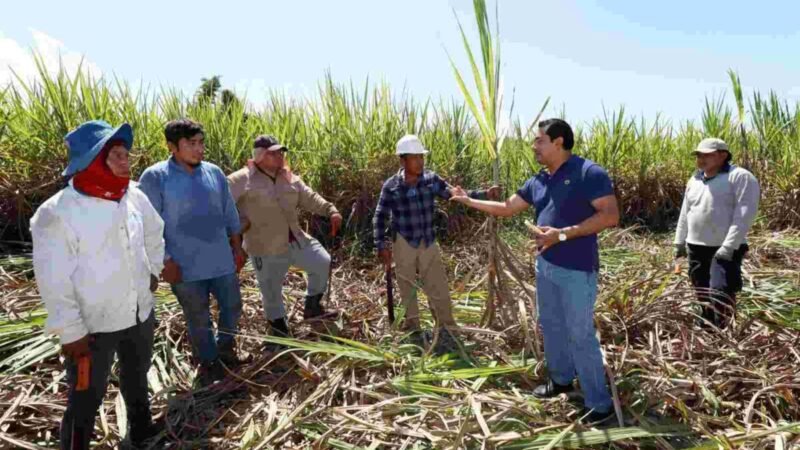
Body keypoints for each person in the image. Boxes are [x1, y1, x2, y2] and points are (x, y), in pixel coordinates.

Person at [450, 119, 618, 423]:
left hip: (578, 270)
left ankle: (599, 403)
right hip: (546, 266)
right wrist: (467, 200)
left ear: (558, 142)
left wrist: (562, 234)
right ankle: (562, 380)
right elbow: (506, 206)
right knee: (551, 325)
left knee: (580, 334)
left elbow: (609, 215)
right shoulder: (539, 180)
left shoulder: (587, 173)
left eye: (539, 140)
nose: (534, 146)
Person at [31, 120, 165, 448]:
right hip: (92, 328)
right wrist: (71, 331)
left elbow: (154, 230)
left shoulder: (133, 195)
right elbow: (53, 279)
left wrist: (154, 270)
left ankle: (141, 432)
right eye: (116, 154)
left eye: (125, 153)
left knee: (137, 380)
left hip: (139, 314)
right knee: (85, 396)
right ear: (92, 160)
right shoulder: (58, 212)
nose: (126, 160)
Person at [138, 119, 246, 386]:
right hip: (184, 265)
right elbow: (147, 224)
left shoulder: (214, 172)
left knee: (232, 306)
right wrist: (164, 261)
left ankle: (225, 349)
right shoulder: (155, 177)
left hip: (221, 259)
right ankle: (208, 362)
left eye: (201, 143)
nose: (199, 150)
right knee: (198, 316)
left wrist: (237, 246)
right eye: (191, 144)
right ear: (172, 146)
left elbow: (229, 211)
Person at [373, 134, 500, 355]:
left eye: (422, 158)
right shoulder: (391, 186)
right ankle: (414, 331)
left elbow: (455, 194)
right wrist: (380, 245)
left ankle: (448, 330)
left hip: (428, 241)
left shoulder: (431, 179)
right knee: (407, 288)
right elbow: (379, 216)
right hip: (404, 241)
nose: (421, 163)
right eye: (416, 158)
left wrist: (484, 194)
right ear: (403, 161)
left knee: (438, 287)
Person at [227, 135, 342, 345]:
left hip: (296, 239)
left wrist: (330, 210)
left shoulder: (288, 177)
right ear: (260, 155)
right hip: (264, 245)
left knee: (322, 262)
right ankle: (278, 328)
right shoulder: (241, 179)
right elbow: (222, 205)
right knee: (270, 289)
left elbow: (309, 196)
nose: (280, 156)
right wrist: (238, 225)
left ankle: (313, 305)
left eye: (281, 152)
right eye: (274, 152)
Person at [674, 138, 760, 329]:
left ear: (723, 155)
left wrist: (728, 247)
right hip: (696, 245)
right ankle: (707, 326)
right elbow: (686, 211)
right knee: (701, 289)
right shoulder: (695, 179)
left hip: (724, 247)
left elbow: (744, 214)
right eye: (698, 155)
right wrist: (679, 242)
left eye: (707, 154)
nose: (701, 159)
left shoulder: (739, 177)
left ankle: (724, 330)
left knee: (721, 290)